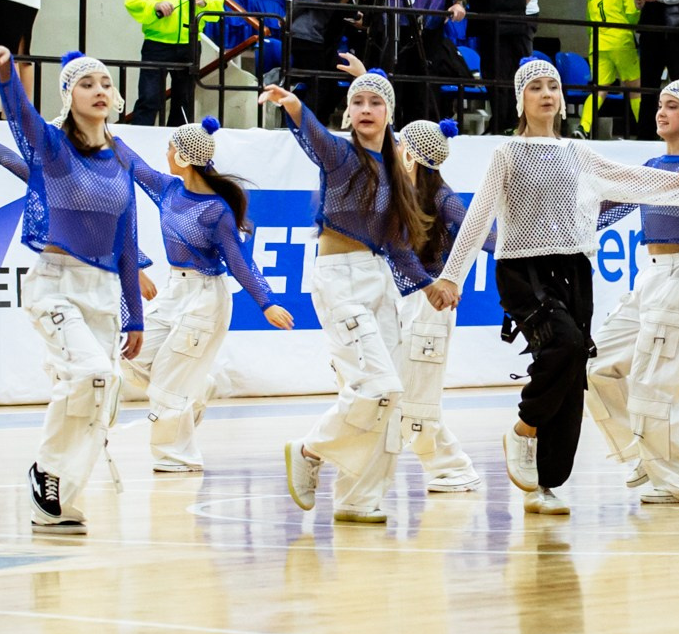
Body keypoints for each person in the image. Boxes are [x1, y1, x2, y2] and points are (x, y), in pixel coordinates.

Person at [426, 58, 679, 515]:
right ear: (521, 99)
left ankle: (546, 484)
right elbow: (478, 216)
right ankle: (524, 428)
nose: (546, 93)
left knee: (574, 367)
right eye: (536, 86)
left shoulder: (578, 154)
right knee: (564, 345)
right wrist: (451, 275)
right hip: (521, 269)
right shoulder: (507, 154)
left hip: (574, 269)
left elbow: (629, 179)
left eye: (553, 86)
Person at [0, 46, 147, 533]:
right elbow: (20, 117)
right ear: (69, 96)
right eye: (86, 84)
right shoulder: (51, 146)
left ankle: (57, 501)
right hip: (55, 284)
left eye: (105, 84)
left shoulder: (122, 158)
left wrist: (135, 315)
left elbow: (127, 240)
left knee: (104, 394)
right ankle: (46, 472)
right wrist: (8, 71)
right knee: (90, 374)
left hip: (105, 291)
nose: (99, 91)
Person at [259, 64, 442, 524]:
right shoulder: (340, 156)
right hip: (338, 278)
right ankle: (309, 449)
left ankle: (358, 498)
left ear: (389, 114)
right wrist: (294, 105)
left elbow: (396, 243)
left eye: (375, 102)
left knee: (391, 399)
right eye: (357, 102)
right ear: (346, 113)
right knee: (380, 387)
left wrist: (428, 283)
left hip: (379, 278)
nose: (365, 109)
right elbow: (315, 137)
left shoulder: (397, 172)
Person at [117, 117, 295, 472]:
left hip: (204, 299)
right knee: (128, 355)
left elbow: (239, 262)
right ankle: (197, 388)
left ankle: (176, 458)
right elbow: (134, 164)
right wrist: (99, 130)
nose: (165, 153)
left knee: (168, 385)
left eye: (170, 147)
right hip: (173, 290)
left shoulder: (217, 211)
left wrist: (267, 302)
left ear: (183, 156)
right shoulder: (168, 188)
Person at [587, 78, 679, 502]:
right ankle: (638, 456)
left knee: (653, 387)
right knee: (592, 368)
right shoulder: (651, 165)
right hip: (649, 277)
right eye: (660, 105)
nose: (661, 112)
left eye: (672, 106)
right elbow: (607, 210)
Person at [379, 105, 483, 493]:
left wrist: (453, 278)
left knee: (417, 401)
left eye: (401, 144)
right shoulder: (402, 191)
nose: (395, 149)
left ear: (411, 155)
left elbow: (480, 237)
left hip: (431, 305)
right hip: (405, 301)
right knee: (389, 390)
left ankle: (453, 467)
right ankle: (442, 466)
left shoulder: (442, 196)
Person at [122, 0, 224, 126]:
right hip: (157, 44)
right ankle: (138, 148)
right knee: (149, 99)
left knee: (183, 102)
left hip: (190, 44)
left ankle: (177, 151)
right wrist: (155, 7)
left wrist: (205, 2)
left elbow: (218, 1)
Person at [282, 0, 355, 121]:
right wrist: (289, 18)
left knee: (321, 81)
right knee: (319, 83)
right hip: (308, 39)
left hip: (305, 38)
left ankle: (311, 120)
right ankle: (308, 122)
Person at [582, 0, 640, 136]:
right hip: (621, 42)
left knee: (599, 90)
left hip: (598, 45)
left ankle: (583, 126)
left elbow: (589, 25)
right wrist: (639, 8)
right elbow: (631, 17)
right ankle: (647, 130)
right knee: (635, 89)